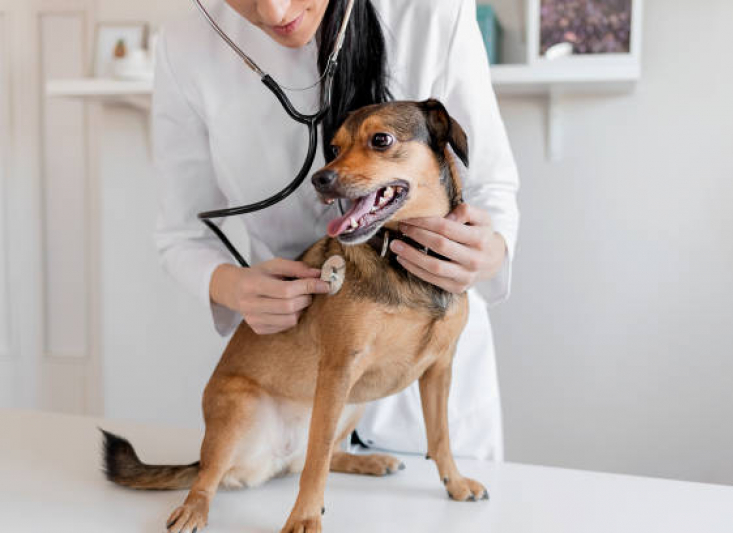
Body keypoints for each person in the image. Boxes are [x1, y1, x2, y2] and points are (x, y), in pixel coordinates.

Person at [153, 0, 519, 461]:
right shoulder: (186, 46)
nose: (273, 11)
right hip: (291, 396)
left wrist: (489, 250)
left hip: (426, 389)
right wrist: (235, 287)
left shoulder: (432, 12)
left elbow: (490, 186)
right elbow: (181, 235)